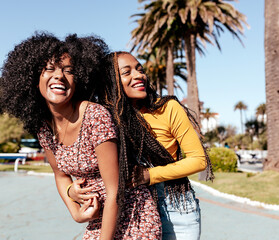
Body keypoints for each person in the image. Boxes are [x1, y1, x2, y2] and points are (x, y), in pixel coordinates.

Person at [0, 33, 161, 239]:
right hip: (97, 220)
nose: (59, 76)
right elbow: (60, 175)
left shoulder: (95, 115)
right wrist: (75, 211)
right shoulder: (44, 128)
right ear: (33, 78)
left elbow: (116, 191)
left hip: (133, 217)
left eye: (69, 71)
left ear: (79, 80)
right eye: (49, 69)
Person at [69, 51, 214, 240]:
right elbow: (89, 164)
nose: (139, 75)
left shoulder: (167, 108)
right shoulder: (104, 117)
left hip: (175, 207)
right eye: (126, 72)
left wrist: (149, 175)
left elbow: (198, 160)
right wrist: (71, 190)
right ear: (111, 82)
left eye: (140, 70)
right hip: (129, 210)